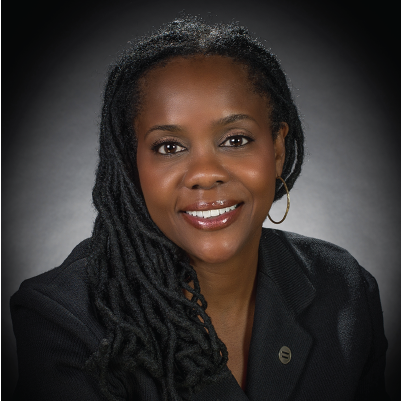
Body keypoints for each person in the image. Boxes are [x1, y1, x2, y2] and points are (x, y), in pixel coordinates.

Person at [10, 16, 389, 401]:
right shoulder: (63, 319)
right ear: (131, 163)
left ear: (277, 150)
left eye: (235, 140)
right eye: (169, 147)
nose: (205, 174)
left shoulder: (343, 290)